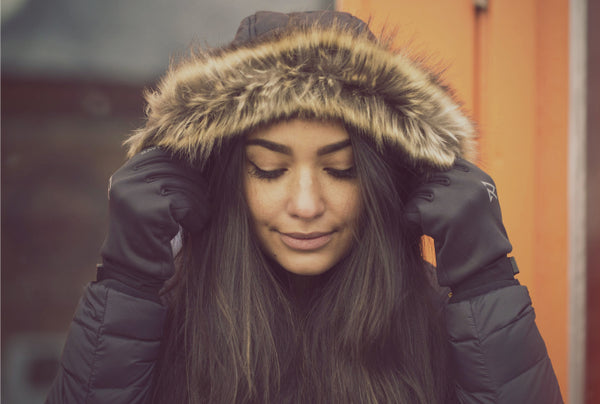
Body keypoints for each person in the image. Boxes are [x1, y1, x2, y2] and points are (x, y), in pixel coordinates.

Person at [46, 10, 563, 404]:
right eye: (269, 169)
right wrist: (128, 281)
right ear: (228, 180)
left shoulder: (439, 319)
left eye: (341, 169)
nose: (307, 203)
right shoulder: (166, 316)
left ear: (384, 181)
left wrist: (485, 281)